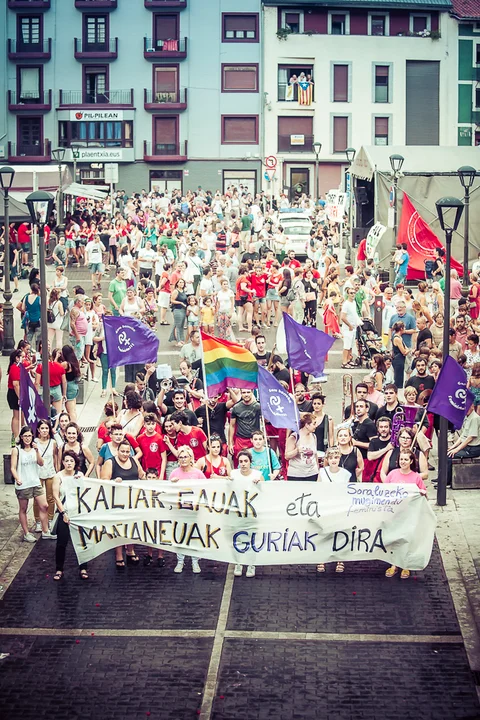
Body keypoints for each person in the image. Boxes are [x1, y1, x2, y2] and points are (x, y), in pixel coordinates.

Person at [101, 439, 145, 568]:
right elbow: (103, 481)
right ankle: (119, 555)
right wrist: (114, 482)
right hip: (117, 502)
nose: (125, 454)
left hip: (133, 501)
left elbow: (142, 476)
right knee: (119, 528)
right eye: (122, 451)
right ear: (117, 451)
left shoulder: (134, 461)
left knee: (132, 526)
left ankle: (130, 550)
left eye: (127, 452)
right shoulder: (110, 462)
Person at [384, 450, 427, 580]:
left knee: (407, 539)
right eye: (401, 459)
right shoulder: (392, 474)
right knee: (394, 539)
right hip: (394, 513)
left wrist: (422, 493)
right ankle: (394, 564)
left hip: (409, 514)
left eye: (406, 459)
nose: (403, 462)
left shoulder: (416, 477)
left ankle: (405, 565)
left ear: (411, 461)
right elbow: (384, 491)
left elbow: (424, 493)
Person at [11, 426, 56, 542]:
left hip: (35, 481)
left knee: (44, 505)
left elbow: (41, 463)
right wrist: (17, 478)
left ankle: (45, 531)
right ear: (21, 437)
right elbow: (13, 467)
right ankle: (26, 533)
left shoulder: (35, 448)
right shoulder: (17, 450)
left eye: (30, 436)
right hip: (23, 483)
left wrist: (37, 451)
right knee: (23, 508)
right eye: (25, 436)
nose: (27, 438)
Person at [52, 450, 89, 581]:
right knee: (61, 542)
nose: (69, 463)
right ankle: (59, 569)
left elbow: (85, 492)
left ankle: (83, 568)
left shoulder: (80, 475)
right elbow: (56, 496)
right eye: (66, 461)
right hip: (65, 513)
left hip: (78, 513)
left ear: (75, 463)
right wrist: (63, 513)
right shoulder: (58, 476)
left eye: (71, 461)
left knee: (82, 542)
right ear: (63, 462)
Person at [170, 446, 206, 574]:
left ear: (191, 458)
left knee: (194, 535)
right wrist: (172, 484)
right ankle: (180, 561)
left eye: (185, 457)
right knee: (180, 536)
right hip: (179, 511)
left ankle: (195, 561)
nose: (183, 459)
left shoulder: (198, 473)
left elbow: (207, 488)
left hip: (194, 511)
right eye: (181, 457)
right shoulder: (174, 473)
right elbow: (168, 492)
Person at [317, 445, 352, 573]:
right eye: (331, 457)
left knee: (340, 534)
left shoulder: (345, 474)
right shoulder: (322, 472)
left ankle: (340, 559)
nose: (333, 460)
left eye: (336, 457)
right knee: (325, 533)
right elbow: (317, 489)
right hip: (326, 507)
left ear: (339, 458)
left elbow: (348, 491)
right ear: (327, 459)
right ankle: (321, 559)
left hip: (340, 508)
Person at [231, 449, 262, 578]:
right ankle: (238, 563)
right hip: (237, 513)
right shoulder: (233, 474)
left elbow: (265, 491)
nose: (243, 464)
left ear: (250, 462)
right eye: (241, 461)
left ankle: (251, 565)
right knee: (237, 538)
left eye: (245, 461)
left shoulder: (257, 474)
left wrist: (260, 484)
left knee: (252, 539)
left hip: (252, 513)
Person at [34, 420, 58, 531]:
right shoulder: (35, 442)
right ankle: (38, 521)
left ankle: (50, 519)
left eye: (46, 428)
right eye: (42, 428)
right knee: (37, 499)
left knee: (50, 498)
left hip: (50, 472)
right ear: (38, 430)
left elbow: (55, 457)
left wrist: (57, 471)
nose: (44, 430)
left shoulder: (53, 442)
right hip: (37, 473)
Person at [228, 389, 262, 462]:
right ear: (241, 393)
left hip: (254, 440)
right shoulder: (236, 407)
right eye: (244, 392)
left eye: (248, 392)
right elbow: (232, 425)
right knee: (239, 462)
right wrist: (230, 443)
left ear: (252, 393)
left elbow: (265, 421)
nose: (246, 394)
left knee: (254, 462)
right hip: (240, 440)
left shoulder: (258, 406)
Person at [285, 413, 319, 482]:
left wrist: (317, 469)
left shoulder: (314, 436)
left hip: (312, 473)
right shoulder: (294, 437)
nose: (316, 426)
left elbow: (315, 455)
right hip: (296, 474)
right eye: (314, 424)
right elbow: (287, 456)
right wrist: (296, 450)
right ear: (307, 425)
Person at [365, 417, 393, 483]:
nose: (383, 429)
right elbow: (370, 457)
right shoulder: (374, 441)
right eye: (381, 427)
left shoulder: (394, 441)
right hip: (376, 475)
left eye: (386, 427)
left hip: (391, 473)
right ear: (378, 429)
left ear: (390, 428)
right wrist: (386, 449)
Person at [391, 321, 409, 389]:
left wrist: (407, 350)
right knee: (398, 378)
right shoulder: (397, 338)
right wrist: (408, 350)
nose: (405, 329)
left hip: (400, 359)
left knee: (400, 376)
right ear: (401, 328)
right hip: (398, 359)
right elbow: (404, 351)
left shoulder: (399, 337)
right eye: (404, 327)